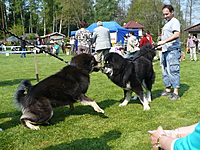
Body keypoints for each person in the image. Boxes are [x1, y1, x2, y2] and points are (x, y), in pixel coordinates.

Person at [157, 5, 181, 101]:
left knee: (173, 70)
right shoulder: (167, 23)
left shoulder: (175, 21)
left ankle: (176, 93)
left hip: (173, 51)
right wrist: (161, 44)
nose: (165, 16)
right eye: (164, 14)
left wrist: (164, 41)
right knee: (165, 71)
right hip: (165, 50)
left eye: (167, 14)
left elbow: (177, 34)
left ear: (172, 12)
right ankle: (168, 90)